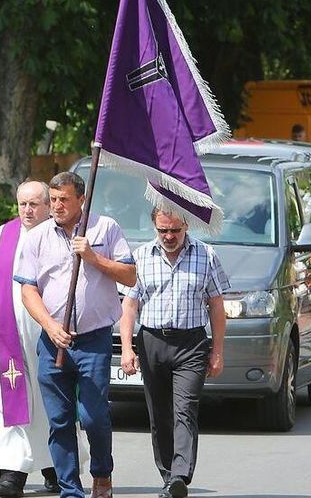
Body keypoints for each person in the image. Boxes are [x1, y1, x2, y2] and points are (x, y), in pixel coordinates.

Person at [16, 172, 136, 498]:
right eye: (53, 200)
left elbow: (129, 274)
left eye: (64, 200)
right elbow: (28, 289)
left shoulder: (105, 228)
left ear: (81, 199)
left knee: (93, 415)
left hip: (93, 339)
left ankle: (102, 472)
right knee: (59, 420)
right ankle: (70, 489)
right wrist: (50, 326)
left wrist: (93, 257)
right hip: (53, 339)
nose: (56, 206)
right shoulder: (37, 237)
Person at [120, 209, 228, 498]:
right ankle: (168, 474)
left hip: (191, 343)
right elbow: (129, 306)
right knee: (159, 413)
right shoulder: (141, 256)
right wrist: (127, 348)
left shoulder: (206, 255)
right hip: (152, 340)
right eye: (162, 230)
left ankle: (180, 474)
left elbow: (217, 306)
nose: (169, 237)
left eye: (175, 231)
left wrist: (217, 351)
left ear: (186, 226)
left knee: (185, 409)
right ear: (154, 226)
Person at [0, 181, 61, 497]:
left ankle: (56, 467)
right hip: (9, 339)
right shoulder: (3, 236)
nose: (27, 210)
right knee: (7, 402)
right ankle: (12, 473)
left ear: (49, 205)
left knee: (51, 403)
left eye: (34, 204)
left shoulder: (60, 235)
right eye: (22, 204)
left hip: (49, 337)